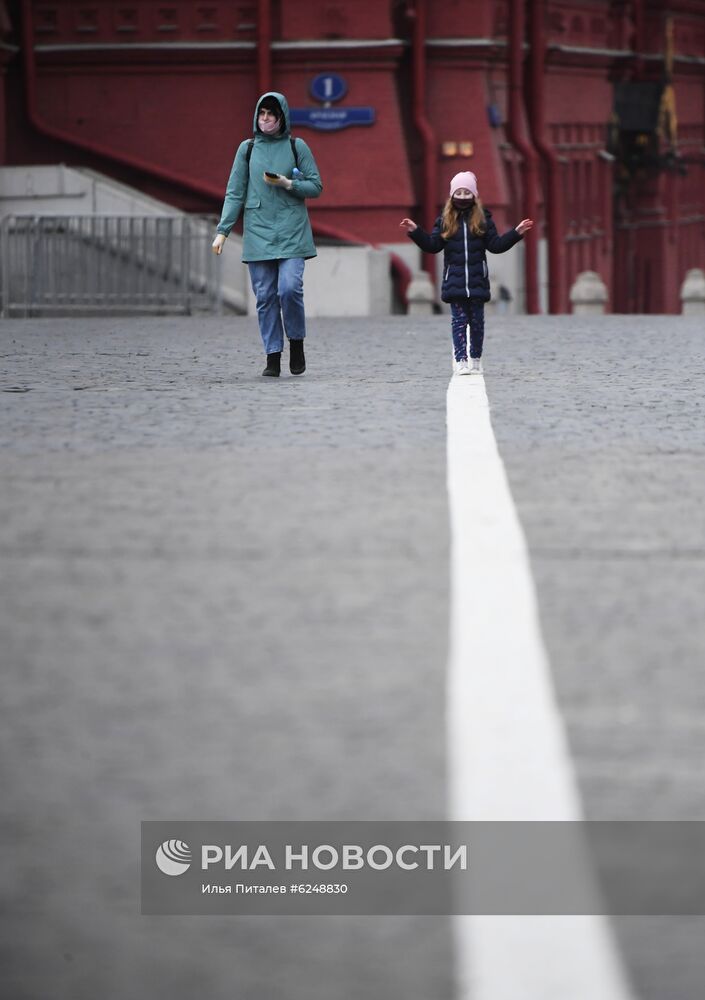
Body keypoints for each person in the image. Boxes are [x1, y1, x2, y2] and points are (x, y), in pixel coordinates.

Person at [212, 92, 323, 377]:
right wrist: (223, 231)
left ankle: (296, 343)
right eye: (262, 115)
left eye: (271, 115)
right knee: (264, 296)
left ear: (281, 117)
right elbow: (235, 191)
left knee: (289, 288)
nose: (266, 120)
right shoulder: (247, 149)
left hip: (292, 228)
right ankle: (272, 355)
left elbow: (315, 186)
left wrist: (289, 183)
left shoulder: (297, 146)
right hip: (258, 229)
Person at [400, 171, 533, 374]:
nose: (462, 196)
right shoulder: (445, 220)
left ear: (474, 195)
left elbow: (495, 245)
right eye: (459, 192)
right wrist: (415, 231)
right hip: (454, 280)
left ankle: (476, 358)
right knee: (459, 321)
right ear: (452, 195)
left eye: (466, 192)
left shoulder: (483, 219)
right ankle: (461, 360)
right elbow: (433, 245)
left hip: (477, 279)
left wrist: (516, 233)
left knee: (477, 322)